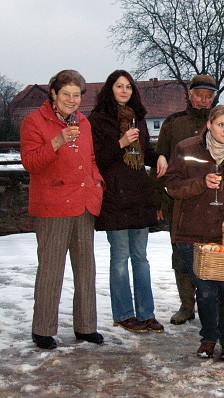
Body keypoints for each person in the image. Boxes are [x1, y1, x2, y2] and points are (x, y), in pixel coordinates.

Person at [20, 70, 105, 349]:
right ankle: (43, 329)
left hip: (82, 204)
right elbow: (31, 163)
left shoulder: (84, 122)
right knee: (51, 270)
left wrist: (96, 184)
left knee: (85, 270)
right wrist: (56, 142)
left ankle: (85, 327)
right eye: (66, 94)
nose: (72, 100)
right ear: (53, 94)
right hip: (53, 208)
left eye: (77, 95)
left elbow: (90, 158)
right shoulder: (33, 122)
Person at [164, 105, 224, 359]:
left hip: (222, 236)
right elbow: (172, 187)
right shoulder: (186, 149)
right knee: (204, 290)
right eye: (220, 125)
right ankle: (208, 338)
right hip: (190, 234)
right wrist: (199, 183)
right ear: (209, 125)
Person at [89, 70, 168, 333]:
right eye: (119, 86)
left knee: (141, 258)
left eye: (128, 87)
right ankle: (123, 314)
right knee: (120, 257)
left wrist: (157, 156)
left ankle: (147, 313)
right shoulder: (98, 120)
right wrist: (121, 142)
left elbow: (144, 150)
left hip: (138, 194)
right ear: (110, 89)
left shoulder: (138, 117)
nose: (124, 91)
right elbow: (96, 160)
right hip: (114, 196)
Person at [155, 75, 218, 325]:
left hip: (212, 203)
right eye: (199, 94)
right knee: (181, 256)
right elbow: (162, 163)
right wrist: (162, 202)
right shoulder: (173, 123)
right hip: (179, 203)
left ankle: (210, 303)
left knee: (211, 256)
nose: (203, 100)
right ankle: (186, 305)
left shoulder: (220, 122)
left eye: (209, 96)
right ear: (189, 94)